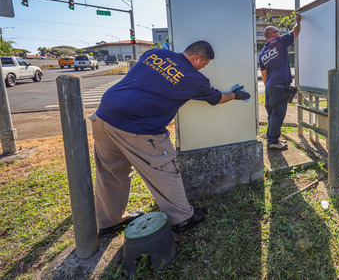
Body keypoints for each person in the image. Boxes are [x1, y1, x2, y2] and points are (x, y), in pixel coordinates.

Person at [91, 40, 251, 236]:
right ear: (196, 58)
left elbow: (148, 72)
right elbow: (216, 98)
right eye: (204, 63)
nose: (203, 67)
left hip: (103, 115)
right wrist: (235, 95)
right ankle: (183, 219)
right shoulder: (194, 78)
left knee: (111, 172)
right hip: (137, 125)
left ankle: (109, 221)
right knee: (165, 169)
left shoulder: (155, 54)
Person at [259, 14, 301, 149]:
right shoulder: (280, 42)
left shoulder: (262, 54)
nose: (279, 32)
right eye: (277, 31)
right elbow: (295, 31)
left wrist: (268, 88)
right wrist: (298, 21)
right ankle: (273, 142)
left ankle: (271, 139)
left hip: (270, 87)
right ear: (273, 34)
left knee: (272, 115)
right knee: (278, 114)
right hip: (279, 86)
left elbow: (264, 74)